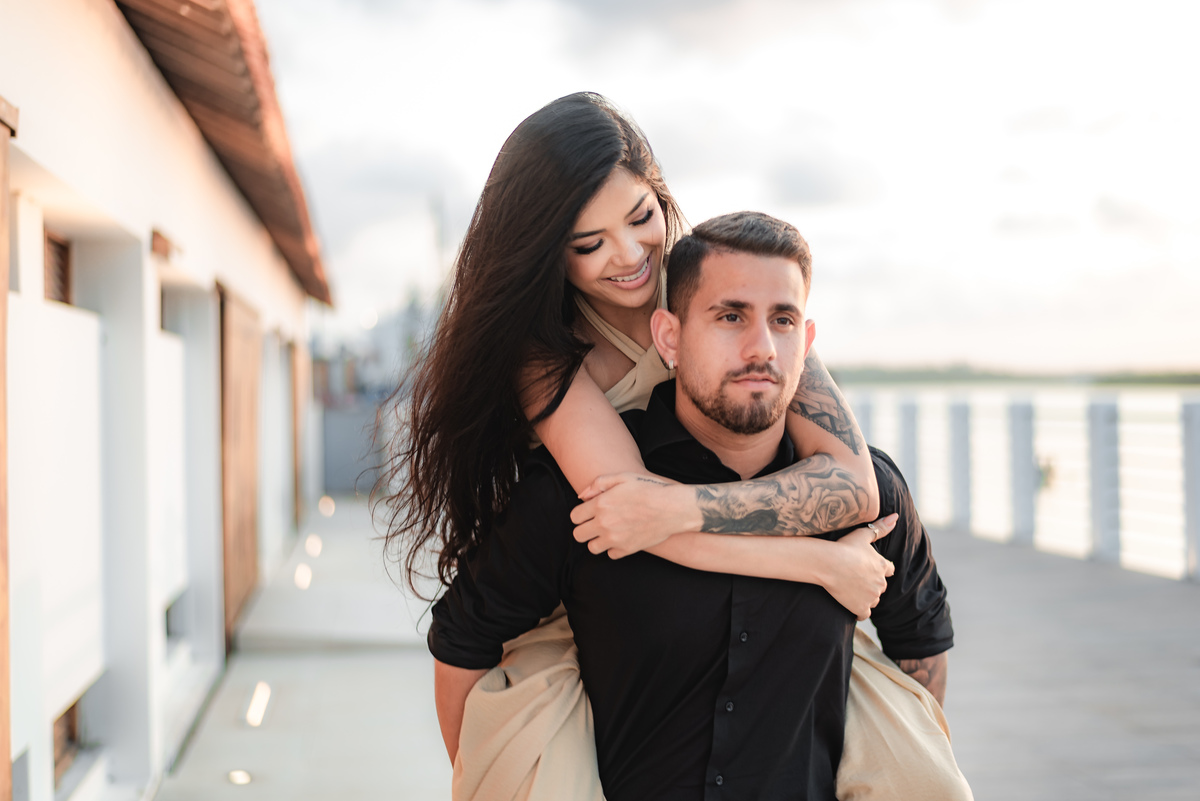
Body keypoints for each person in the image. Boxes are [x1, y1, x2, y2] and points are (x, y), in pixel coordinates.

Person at [378, 93, 970, 800]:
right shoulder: (545, 356)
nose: (629, 258)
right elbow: (634, 515)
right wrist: (818, 564)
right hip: (602, 587)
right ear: (545, 250)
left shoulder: (728, 291)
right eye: (588, 242)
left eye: (640, 219)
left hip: (690, 537)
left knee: (903, 758)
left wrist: (809, 559)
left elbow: (852, 486)